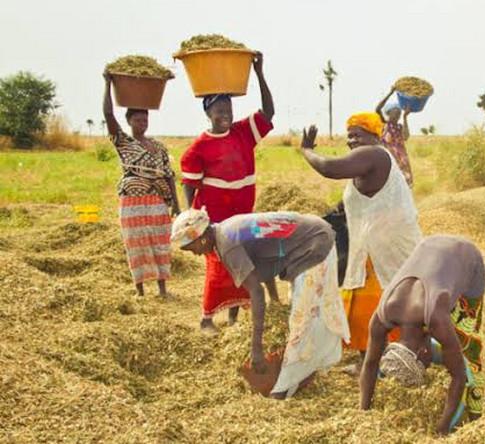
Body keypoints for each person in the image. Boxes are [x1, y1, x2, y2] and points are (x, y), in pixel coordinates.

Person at [170, 208, 350, 398]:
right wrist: (275, 301)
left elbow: (256, 291)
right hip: (312, 237)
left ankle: (285, 386)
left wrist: (257, 348)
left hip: (314, 244)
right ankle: (303, 372)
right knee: (304, 312)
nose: (195, 254)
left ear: (202, 238)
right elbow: (261, 261)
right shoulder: (225, 231)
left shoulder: (227, 244)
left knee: (303, 318)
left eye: (191, 248)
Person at [298, 115, 422, 373]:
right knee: (364, 307)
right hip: (372, 246)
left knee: (385, 303)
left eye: (359, 134)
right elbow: (354, 204)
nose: (352, 140)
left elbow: (329, 168)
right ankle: (371, 361)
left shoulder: (375, 154)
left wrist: (306, 150)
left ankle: (394, 361)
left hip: (387, 247)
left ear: (376, 136)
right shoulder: (366, 163)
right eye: (350, 135)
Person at [180, 51, 276, 334]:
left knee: (242, 265)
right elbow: (190, 183)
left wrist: (259, 73)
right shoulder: (200, 146)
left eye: (228, 110)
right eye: (219, 111)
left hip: (243, 213)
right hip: (217, 219)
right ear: (208, 113)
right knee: (218, 267)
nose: (225, 115)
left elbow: (268, 113)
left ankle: (234, 318)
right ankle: (207, 319)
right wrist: (191, 214)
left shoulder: (243, 132)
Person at [359, 235, 485, 435]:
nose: (429, 369)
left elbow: (459, 376)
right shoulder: (382, 316)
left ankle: (477, 416)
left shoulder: (436, 319)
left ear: (423, 350)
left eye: (425, 366)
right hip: (430, 245)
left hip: (466, 255)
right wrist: (364, 413)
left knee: (467, 347)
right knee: (450, 337)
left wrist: (442, 428)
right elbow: (370, 363)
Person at [103, 72, 179, 297]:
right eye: (137, 120)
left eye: (145, 120)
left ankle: (163, 289)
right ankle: (140, 291)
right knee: (136, 244)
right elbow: (108, 114)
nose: (142, 123)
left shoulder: (158, 146)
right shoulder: (124, 142)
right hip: (132, 201)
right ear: (128, 122)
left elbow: (168, 176)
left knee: (160, 242)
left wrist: (176, 204)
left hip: (157, 202)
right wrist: (108, 85)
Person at [375, 87, 413, 187]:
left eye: (399, 114)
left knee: (403, 185)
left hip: (401, 160)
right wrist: (390, 93)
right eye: (395, 113)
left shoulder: (400, 127)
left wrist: (405, 117)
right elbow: (378, 109)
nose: (397, 115)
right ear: (388, 113)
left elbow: (406, 137)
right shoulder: (384, 124)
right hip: (388, 159)